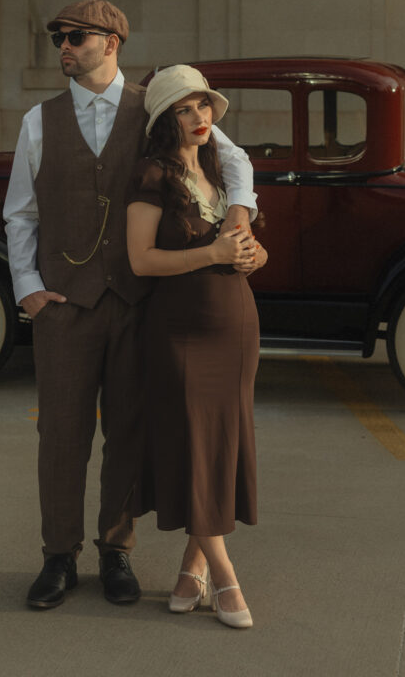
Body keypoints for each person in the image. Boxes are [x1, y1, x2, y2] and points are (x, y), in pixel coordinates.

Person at [3, 0, 258, 610]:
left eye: (75, 37)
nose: (63, 45)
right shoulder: (39, 121)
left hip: (139, 304)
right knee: (61, 436)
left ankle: (116, 552)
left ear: (112, 41)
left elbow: (235, 159)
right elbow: (20, 213)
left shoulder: (157, 103)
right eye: (57, 37)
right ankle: (58, 557)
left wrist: (241, 229)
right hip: (64, 305)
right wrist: (27, 290)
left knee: (128, 433)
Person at [126, 64, 267, 629]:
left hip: (235, 324)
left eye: (203, 105)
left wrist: (255, 255)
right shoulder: (152, 175)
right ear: (165, 120)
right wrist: (209, 255)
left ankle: (193, 567)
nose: (199, 116)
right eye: (185, 109)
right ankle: (227, 574)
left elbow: (250, 246)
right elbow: (141, 260)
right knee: (191, 442)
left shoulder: (220, 168)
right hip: (179, 329)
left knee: (221, 444)